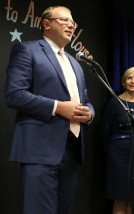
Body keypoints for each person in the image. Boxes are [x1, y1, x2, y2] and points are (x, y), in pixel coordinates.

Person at [4, 6, 94, 214]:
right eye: (64, 20)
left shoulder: (75, 62)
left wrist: (90, 114)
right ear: (47, 24)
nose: (71, 25)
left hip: (71, 149)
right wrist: (57, 107)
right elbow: (14, 94)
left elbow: (86, 100)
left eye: (72, 22)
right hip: (40, 150)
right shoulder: (27, 50)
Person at [102, 67, 134, 214]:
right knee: (120, 197)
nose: (132, 81)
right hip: (118, 156)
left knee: (133, 197)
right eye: (129, 78)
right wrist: (109, 154)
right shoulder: (114, 102)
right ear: (124, 82)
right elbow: (104, 131)